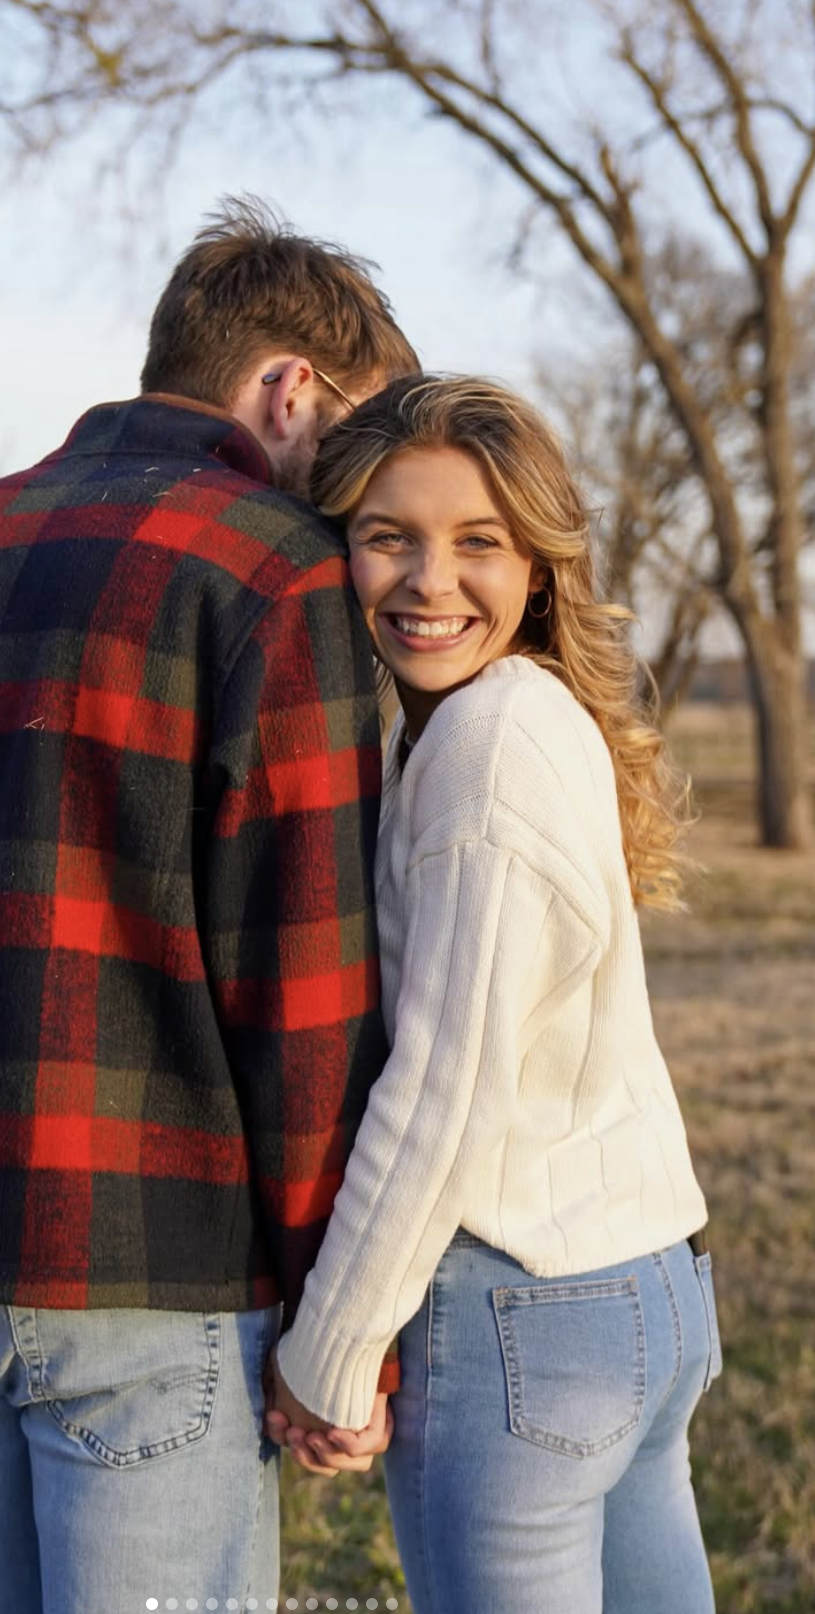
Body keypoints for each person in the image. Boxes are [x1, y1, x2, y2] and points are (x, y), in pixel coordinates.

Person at [0, 197, 418, 1614]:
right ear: (287, 389)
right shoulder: (273, 575)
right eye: (362, 432)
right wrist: (350, 1344)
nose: (366, 489)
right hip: (144, 1273)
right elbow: (306, 1006)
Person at [266, 375, 722, 1613]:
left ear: (538, 562)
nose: (429, 581)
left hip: (526, 1315)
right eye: (386, 537)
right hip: (645, 1291)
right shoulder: (517, 715)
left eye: (477, 542)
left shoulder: (485, 751)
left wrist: (332, 1354)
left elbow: (442, 1098)